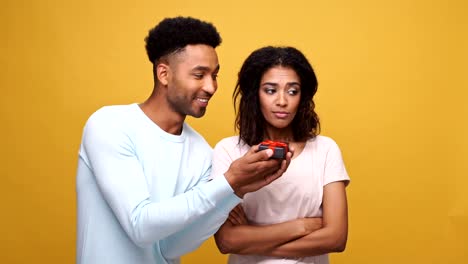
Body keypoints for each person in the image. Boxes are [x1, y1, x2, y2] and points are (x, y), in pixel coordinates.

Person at [75, 17, 292, 264]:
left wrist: (236, 190)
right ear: (164, 74)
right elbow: (140, 226)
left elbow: (170, 247)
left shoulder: (202, 152)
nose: (211, 87)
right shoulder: (109, 125)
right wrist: (228, 182)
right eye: (199, 75)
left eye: (215, 75)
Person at [212, 46, 350, 263]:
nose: (282, 101)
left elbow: (336, 238)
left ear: (302, 96)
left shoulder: (325, 149)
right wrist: (301, 226)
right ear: (254, 94)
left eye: (292, 91)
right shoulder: (228, 151)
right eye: (270, 90)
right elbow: (227, 241)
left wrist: (250, 241)